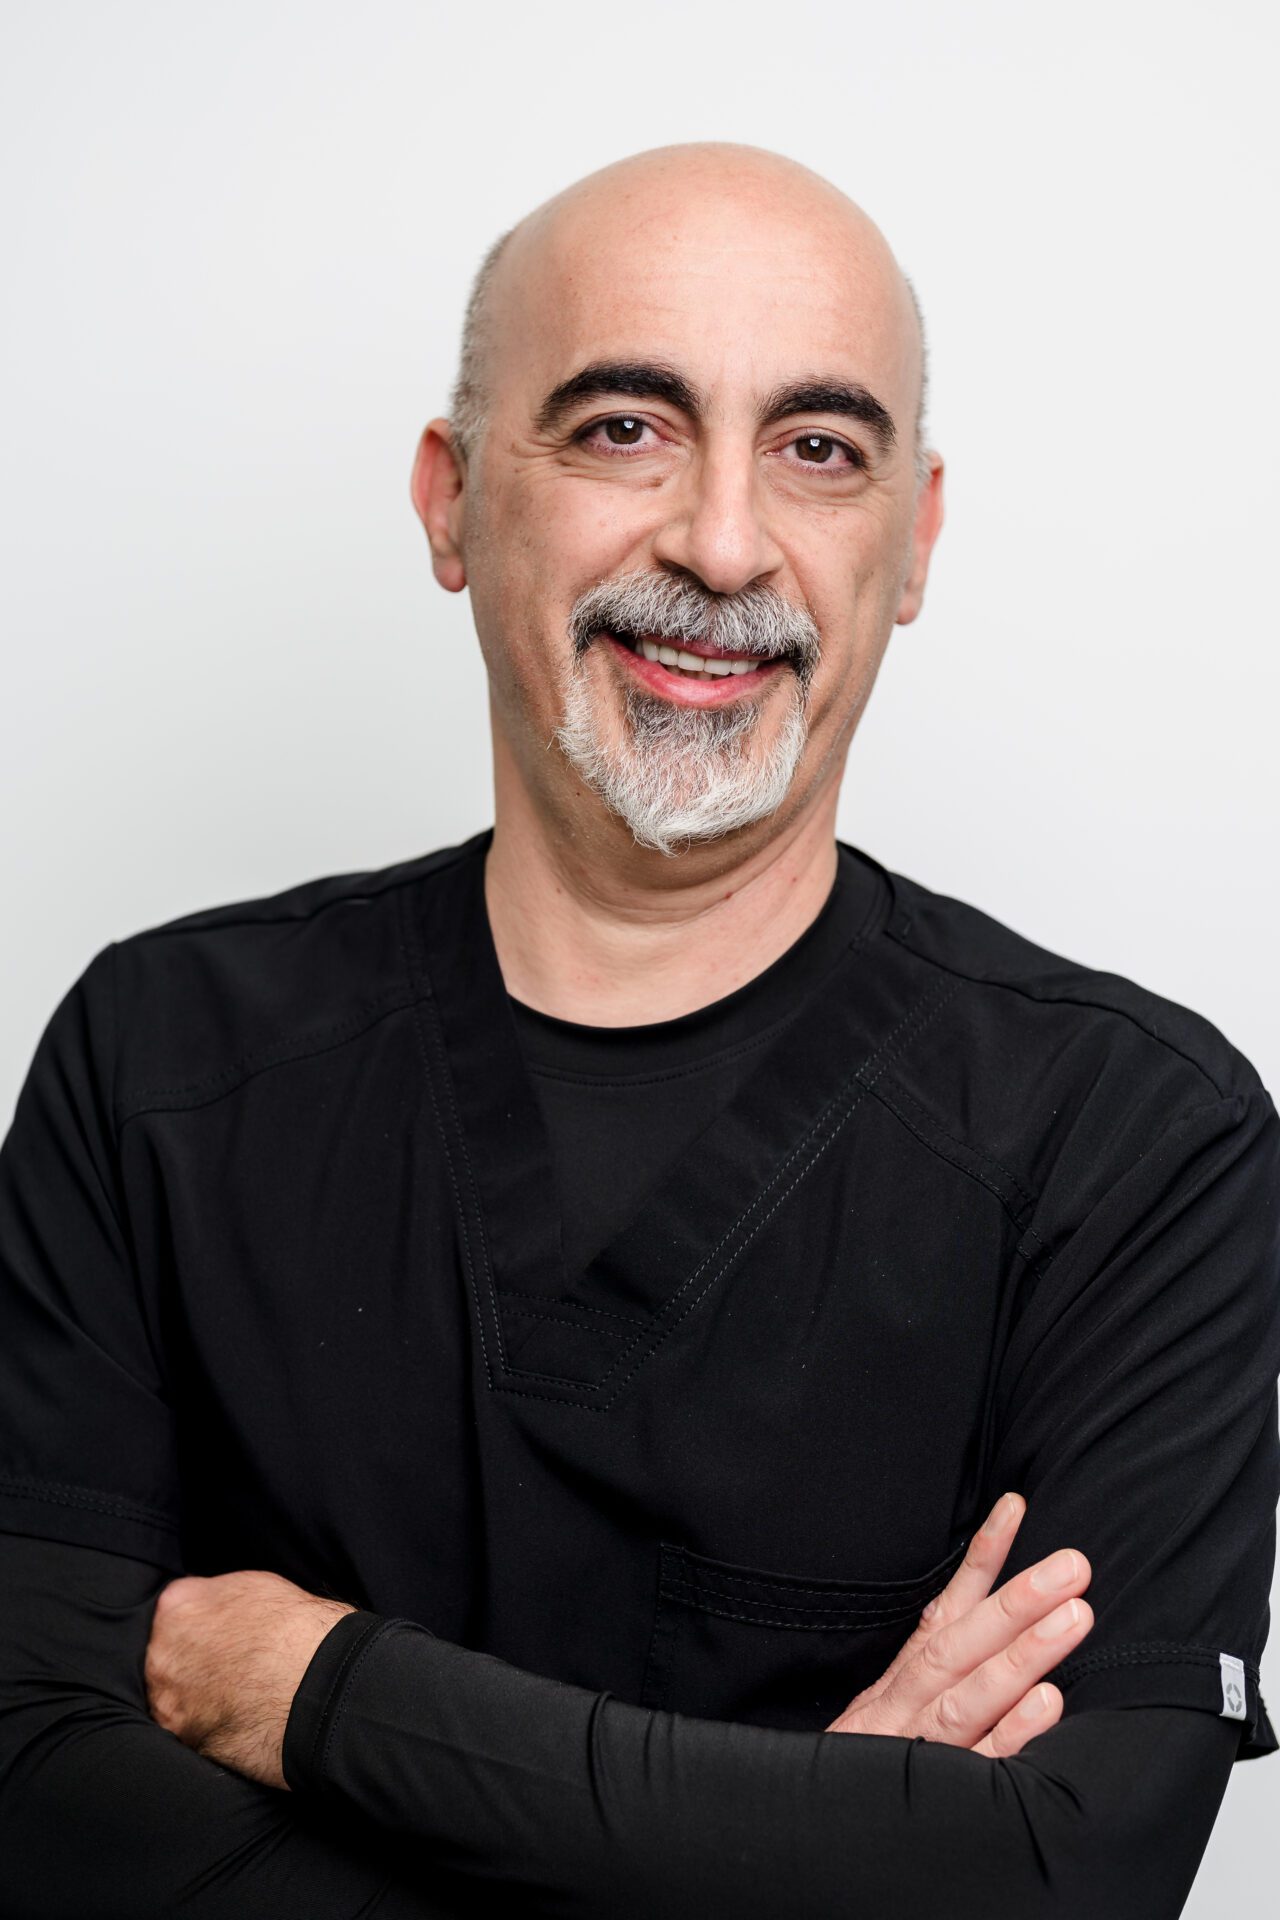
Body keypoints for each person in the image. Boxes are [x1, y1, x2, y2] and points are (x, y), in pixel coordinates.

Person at [0, 141, 1276, 1919]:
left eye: (818, 450)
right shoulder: (157, 1068)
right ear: (452, 502)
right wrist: (812, 1843)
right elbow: (36, 1797)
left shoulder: (1135, 1145)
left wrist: (322, 1692)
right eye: (624, 429)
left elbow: (1072, 1869)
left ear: (912, 541)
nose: (724, 543)